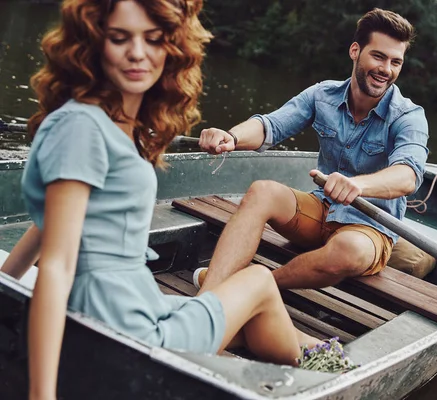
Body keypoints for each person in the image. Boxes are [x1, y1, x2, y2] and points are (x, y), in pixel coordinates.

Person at [0, 1, 319, 398]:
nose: (138, 52)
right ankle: (312, 380)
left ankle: (298, 360)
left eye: (153, 39)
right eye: (120, 38)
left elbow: (50, 222)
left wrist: (5, 286)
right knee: (257, 280)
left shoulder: (109, 121)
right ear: (94, 43)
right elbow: (58, 267)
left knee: (244, 307)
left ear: (172, 49)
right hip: (124, 332)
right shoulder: (83, 128)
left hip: (136, 307)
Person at [196, 8, 432, 292]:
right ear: (355, 51)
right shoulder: (322, 95)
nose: (386, 69)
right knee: (262, 191)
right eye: (379, 56)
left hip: (369, 231)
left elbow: (408, 176)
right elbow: (270, 125)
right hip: (321, 210)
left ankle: (246, 291)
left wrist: (357, 185)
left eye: (396, 62)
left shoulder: (409, 116)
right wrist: (231, 137)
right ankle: (210, 296)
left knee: (347, 250)